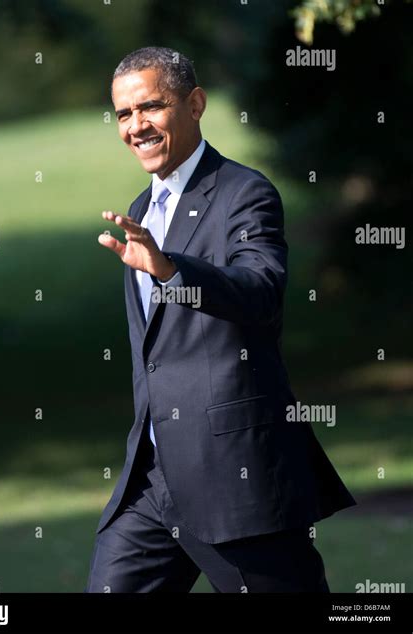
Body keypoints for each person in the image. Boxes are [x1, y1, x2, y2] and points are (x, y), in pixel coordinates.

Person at [85, 46, 356, 593]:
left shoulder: (244, 193)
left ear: (195, 103)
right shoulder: (140, 210)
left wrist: (167, 267)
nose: (136, 126)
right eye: (123, 114)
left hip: (234, 476)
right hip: (152, 481)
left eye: (151, 108)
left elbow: (260, 294)